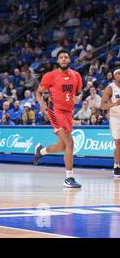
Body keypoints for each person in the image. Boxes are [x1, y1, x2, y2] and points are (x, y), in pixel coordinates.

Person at [34, 49, 83, 188]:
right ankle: (69, 178)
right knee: (70, 142)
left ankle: (41, 151)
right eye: (61, 57)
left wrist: (79, 97)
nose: (63, 59)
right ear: (57, 60)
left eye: (66, 57)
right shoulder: (50, 75)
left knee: (62, 146)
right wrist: (42, 102)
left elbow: (79, 93)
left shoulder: (76, 76)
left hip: (69, 112)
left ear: (69, 60)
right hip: (55, 111)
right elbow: (38, 92)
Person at [101, 67, 120, 178]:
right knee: (118, 143)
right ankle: (116, 166)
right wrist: (115, 104)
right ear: (114, 76)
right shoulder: (110, 88)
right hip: (116, 118)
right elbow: (102, 105)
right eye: (118, 74)